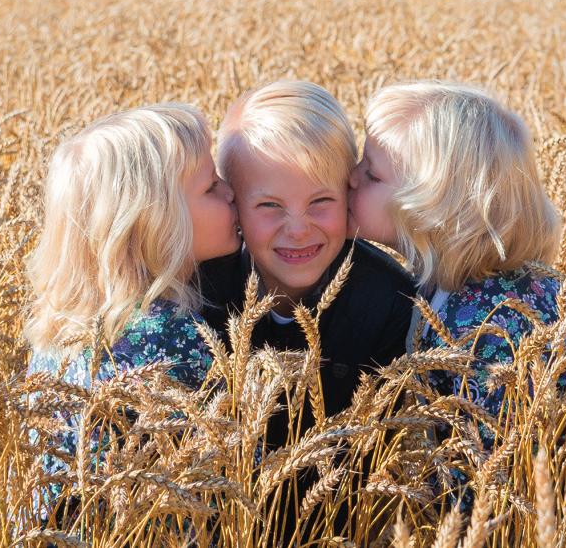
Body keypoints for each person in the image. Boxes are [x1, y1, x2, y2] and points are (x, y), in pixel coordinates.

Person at [25, 102, 240, 507]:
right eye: (212, 187)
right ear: (157, 221)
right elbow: (243, 469)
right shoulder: (172, 338)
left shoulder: (59, 331)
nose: (231, 193)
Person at [348, 80, 563, 443]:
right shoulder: (500, 287)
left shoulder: (481, 327)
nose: (351, 177)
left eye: (371, 172)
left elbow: (493, 467)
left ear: (432, 206)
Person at [199, 79, 414, 432]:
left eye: (320, 202)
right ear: (233, 203)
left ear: (348, 192)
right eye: (270, 205)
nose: (298, 230)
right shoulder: (204, 292)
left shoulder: (387, 300)